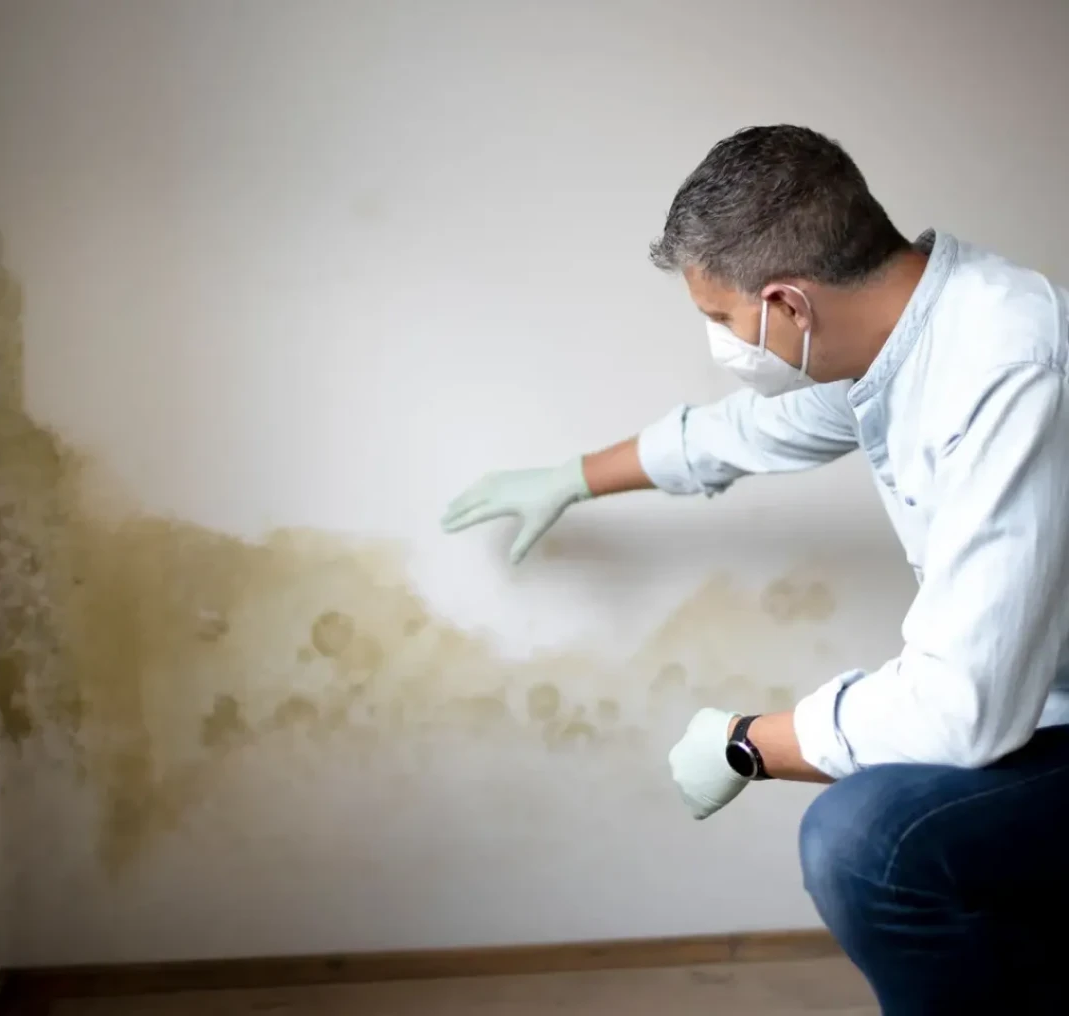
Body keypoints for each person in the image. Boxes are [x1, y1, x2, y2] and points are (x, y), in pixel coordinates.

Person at [440, 125, 1069, 1015]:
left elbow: (961, 712)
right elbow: (735, 435)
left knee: (865, 839)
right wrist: (572, 480)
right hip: (1041, 709)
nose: (723, 342)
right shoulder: (905, 342)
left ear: (788, 305)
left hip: (1032, 717)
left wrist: (746, 742)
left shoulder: (1006, 369)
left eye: (719, 319)